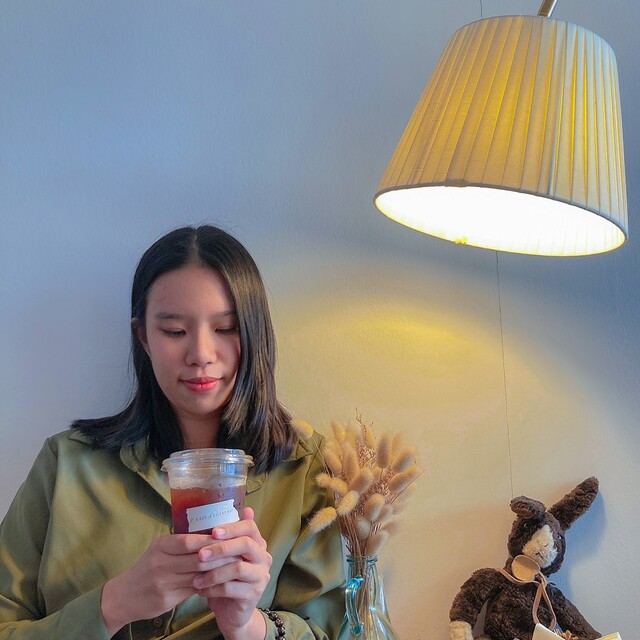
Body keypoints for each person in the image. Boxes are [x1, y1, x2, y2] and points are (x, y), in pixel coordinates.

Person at [0, 225, 345, 639]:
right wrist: (113, 604)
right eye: (175, 331)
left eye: (226, 329)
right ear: (143, 337)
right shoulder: (67, 465)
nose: (200, 354)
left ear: (256, 333)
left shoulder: (306, 471)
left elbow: (343, 629)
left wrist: (247, 625)